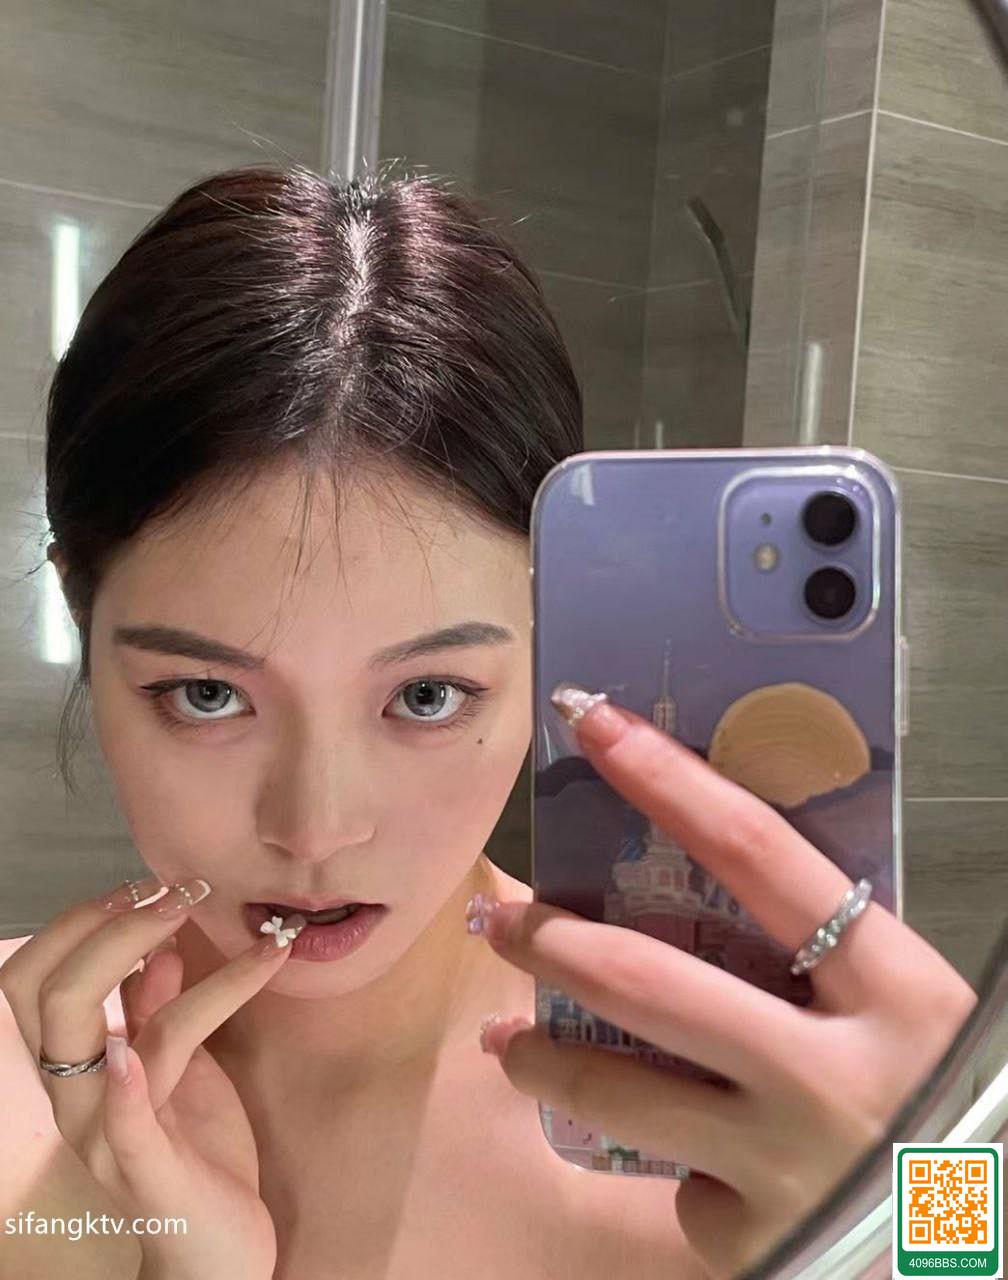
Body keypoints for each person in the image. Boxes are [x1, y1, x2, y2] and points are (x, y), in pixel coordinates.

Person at [0, 163, 977, 1280]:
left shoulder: (758, 1114)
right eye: (207, 694)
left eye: (426, 695)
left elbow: (970, 1244)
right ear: (81, 618)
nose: (316, 829)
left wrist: (948, 1185)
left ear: (547, 637)